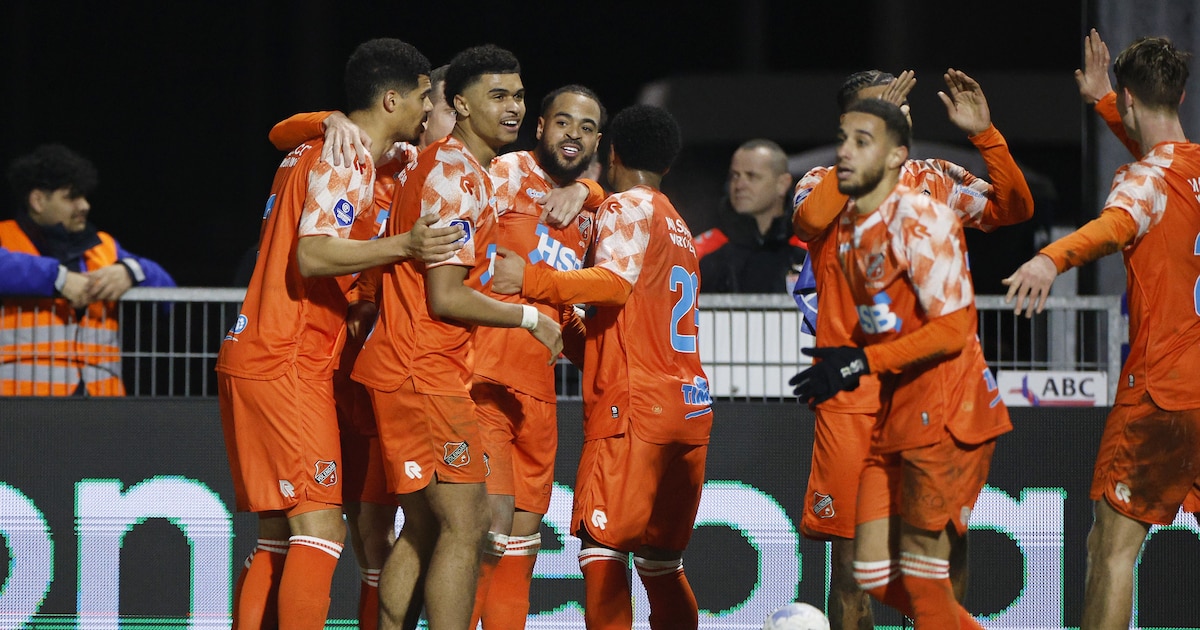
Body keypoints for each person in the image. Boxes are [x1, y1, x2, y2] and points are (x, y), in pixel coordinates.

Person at [216, 38, 465, 630]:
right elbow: (314, 254)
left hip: (264, 351)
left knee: (278, 536)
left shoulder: (327, 146)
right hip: (289, 358)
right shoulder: (347, 159)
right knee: (322, 530)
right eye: (424, 99)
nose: (428, 112)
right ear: (392, 100)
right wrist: (406, 245)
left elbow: (282, 133)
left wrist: (324, 118)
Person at [790, 68, 1033, 628]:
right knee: (854, 565)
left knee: (941, 552)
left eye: (897, 112)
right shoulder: (821, 182)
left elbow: (1013, 209)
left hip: (932, 389)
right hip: (854, 396)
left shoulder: (936, 180)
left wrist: (986, 136)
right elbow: (809, 220)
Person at [349, 44, 563, 630]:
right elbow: (445, 296)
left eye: (519, 95)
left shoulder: (448, 166)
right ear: (460, 105)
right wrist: (530, 318)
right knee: (467, 525)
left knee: (424, 527)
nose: (514, 107)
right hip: (423, 371)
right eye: (498, 95)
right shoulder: (455, 175)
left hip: (414, 366)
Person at [1002, 35, 1199, 630]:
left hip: (1163, 393)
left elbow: (1115, 225)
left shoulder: (1144, 179)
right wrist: (1105, 101)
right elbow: (1164, 159)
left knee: (1111, 549)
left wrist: (1050, 259)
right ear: (1181, 96)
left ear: (1132, 98)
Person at [491, 104, 713, 630]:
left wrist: (533, 281)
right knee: (661, 564)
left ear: (611, 153)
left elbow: (614, 283)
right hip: (690, 408)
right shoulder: (677, 223)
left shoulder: (624, 206)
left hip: (635, 409)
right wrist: (559, 325)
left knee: (603, 549)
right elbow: (620, 324)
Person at [468, 84, 607, 630]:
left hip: (540, 397)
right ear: (541, 127)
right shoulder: (504, 174)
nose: (574, 134)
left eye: (587, 128)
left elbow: (564, 310)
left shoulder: (590, 218)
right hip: (483, 380)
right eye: (563, 122)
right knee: (488, 532)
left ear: (598, 141)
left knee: (522, 547)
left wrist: (589, 192)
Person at [0, 143, 176, 396]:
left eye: (83, 196)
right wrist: (58, 279)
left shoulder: (103, 246)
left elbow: (169, 295)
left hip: (101, 403)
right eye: (71, 197)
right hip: (21, 406)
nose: (84, 205)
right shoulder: (5, 236)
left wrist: (131, 271)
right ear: (38, 201)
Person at [694, 138, 807, 293]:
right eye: (735, 176)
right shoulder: (702, 250)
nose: (739, 185)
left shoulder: (813, 251)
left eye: (752, 176)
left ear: (782, 184)